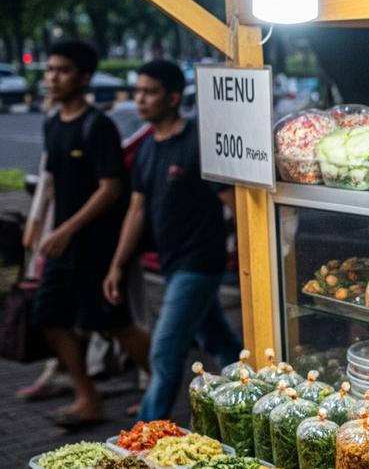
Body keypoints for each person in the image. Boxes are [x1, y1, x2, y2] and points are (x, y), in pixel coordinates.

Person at [102, 60, 240, 422]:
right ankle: (248, 397)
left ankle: (143, 436)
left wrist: (256, 255)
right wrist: (116, 264)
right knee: (220, 342)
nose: (141, 100)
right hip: (172, 263)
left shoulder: (197, 141)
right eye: (138, 92)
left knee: (164, 353)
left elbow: (232, 202)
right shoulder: (147, 148)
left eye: (150, 92)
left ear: (174, 97)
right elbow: (136, 211)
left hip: (200, 262)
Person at [25, 40, 150, 429]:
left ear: (84, 77)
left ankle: (163, 380)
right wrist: (39, 223)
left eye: (62, 70)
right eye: (49, 70)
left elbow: (110, 187)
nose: (52, 78)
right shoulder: (52, 123)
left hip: (97, 247)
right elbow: (53, 181)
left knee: (114, 325)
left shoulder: (98, 126)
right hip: (63, 247)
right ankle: (87, 399)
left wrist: (66, 228)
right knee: (48, 316)